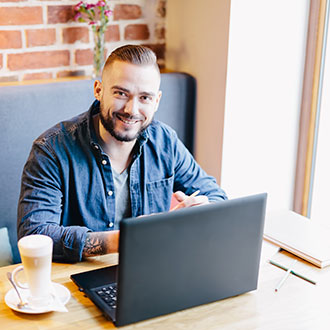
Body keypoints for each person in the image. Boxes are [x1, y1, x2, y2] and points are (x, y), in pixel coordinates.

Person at [17, 45, 227, 263]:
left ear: (157, 101)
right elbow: (35, 235)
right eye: (120, 93)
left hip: (150, 270)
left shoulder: (165, 141)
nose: (132, 110)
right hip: (77, 278)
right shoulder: (51, 149)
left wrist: (201, 211)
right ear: (98, 90)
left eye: (145, 97)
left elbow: (217, 197)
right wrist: (128, 238)